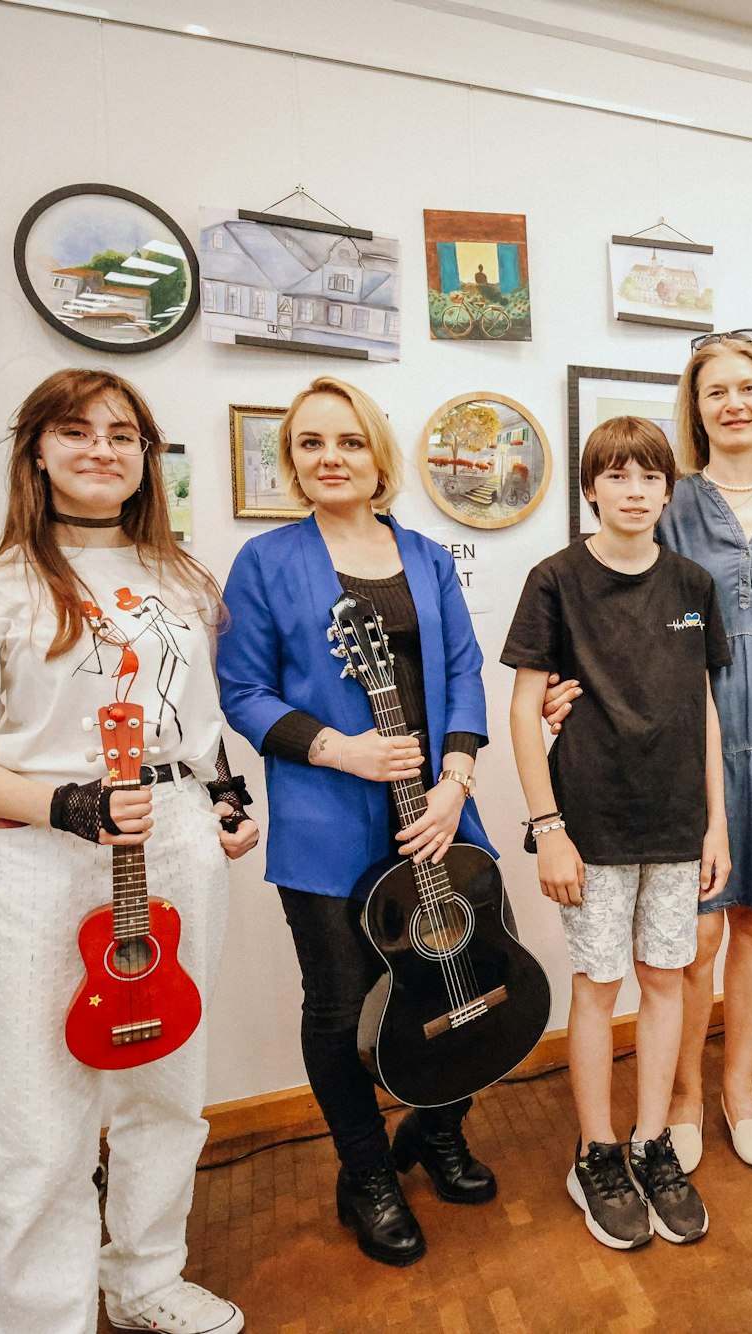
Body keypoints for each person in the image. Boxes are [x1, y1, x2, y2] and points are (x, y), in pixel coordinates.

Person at [0, 368, 256, 1334]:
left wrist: (223, 797)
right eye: (75, 430)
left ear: (146, 458)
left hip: (173, 844)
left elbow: (196, 721)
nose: (101, 448)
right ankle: (38, 1319)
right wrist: (64, 803)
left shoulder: (185, 581)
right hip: (38, 863)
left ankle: (143, 1279)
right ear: (36, 452)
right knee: (40, 1121)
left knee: (168, 1085)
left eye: (122, 434)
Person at [216, 377, 497, 1269]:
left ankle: (438, 1130)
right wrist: (341, 750)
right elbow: (242, 691)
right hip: (326, 821)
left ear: (378, 455)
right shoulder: (265, 562)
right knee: (340, 1007)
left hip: (437, 811)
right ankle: (367, 1171)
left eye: (348, 441)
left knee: (461, 979)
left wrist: (455, 780)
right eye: (310, 443)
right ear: (291, 461)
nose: (330, 457)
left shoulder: (427, 556)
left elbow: (463, 671)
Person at [543, 330, 752, 1171]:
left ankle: (742, 1089)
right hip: (684, 735)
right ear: (695, 410)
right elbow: (614, 600)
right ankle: (682, 1097)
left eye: (748, 387)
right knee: (693, 938)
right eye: (715, 392)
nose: (734, 403)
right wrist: (562, 690)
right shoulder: (670, 496)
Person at [503, 416, 731, 1250]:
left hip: (676, 825)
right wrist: (548, 829)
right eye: (617, 476)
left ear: (668, 491)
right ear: (591, 488)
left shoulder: (694, 584)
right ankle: (596, 1153)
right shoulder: (556, 580)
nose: (634, 492)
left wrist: (717, 824)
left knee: (667, 979)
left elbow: (705, 709)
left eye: (649, 477)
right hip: (590, 826)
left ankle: (652, 1144)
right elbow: (524, 710)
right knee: (599, 985)